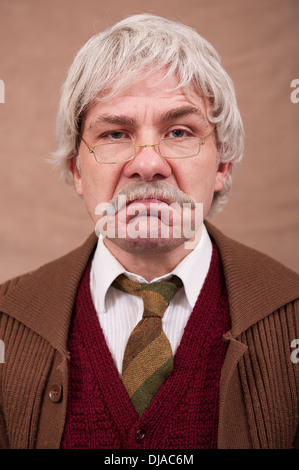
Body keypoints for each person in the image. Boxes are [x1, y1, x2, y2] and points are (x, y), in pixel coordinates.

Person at [0, 14, 298, 450]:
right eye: (115, 133)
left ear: (222, 164)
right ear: (77, 170)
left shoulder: (292, 317)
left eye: (179, 131)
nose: (148, 163)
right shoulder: (7, 324)